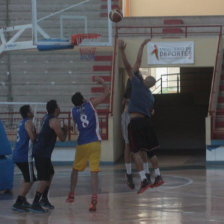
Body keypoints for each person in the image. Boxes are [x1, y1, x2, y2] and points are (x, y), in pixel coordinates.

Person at [119, 38, 164, 194]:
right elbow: (152, 112)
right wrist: (142, 46)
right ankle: (158, 176)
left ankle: (143, 179)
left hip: (135, 122)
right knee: (151, 152)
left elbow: (128, 65)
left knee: (135, 151)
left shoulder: (137, 84)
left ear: (144, 80)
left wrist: (122, 51)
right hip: (148, 123)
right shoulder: (151, 96)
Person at [66, 77, 110, 212]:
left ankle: (72, 194)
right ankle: (94, 198)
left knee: (75, 169)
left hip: (82, 143)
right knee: (94, 172)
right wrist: (102, 82)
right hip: (94, 141)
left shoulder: (73, 112)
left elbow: (75, 125)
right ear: (83, 99)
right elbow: (107, 93)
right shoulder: (91, 104)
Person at [30, 100, 68, 213]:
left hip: (41, 151)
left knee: (50, 172)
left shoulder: (45, 117)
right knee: (44, 179)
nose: (60, 108)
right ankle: (35, 203)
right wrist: (65, 129)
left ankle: (44, 198)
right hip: (42, 153)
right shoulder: (54, 121)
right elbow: (62, 138)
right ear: (56, 109)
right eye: (59, 106)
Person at [12, 105, 36, 212]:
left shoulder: (22, 122)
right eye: (31, 110)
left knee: (26, 178)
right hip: (25, 156)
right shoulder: (29, 122)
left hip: (17, 154)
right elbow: (32, 138)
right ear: (28, 113)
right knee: (31, 179)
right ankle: (18, 202)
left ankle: (23, 199)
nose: (33, 111)